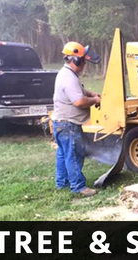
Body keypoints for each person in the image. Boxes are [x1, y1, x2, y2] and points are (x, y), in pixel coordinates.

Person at [52, 41, 102, 197]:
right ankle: (78, 187)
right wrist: (95, 101)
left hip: (61, 122)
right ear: (76, 60)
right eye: (83, 61)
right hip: (68, 124)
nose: (85, 64)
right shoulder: (69, 77)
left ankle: (62, 182)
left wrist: (91, 93)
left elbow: (78, 91)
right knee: (74, 154)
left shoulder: (66, 74)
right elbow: (79, 101)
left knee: (63, 153)